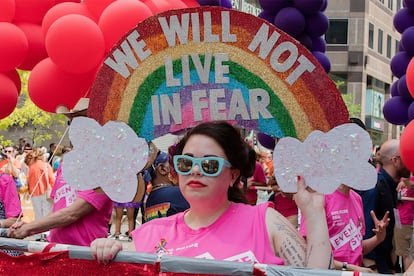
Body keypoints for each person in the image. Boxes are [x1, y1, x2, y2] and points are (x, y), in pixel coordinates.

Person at [91, 121, 333, 268]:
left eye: (209, 165)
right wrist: (106, 249)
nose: (195, 171)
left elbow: (314, 273)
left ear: (233, 176)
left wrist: (313, 213)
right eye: (186, 163)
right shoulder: (151, 233)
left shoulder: (264, 221)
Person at [9, 160, 114, 246]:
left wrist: (28, 228)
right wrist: (29, 227)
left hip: (85, 251)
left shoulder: (105, 172)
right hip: (55, 248)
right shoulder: (65, 165)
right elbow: (57, 209)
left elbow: (72, 213)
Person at [300, 184, 389, 273]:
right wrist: (350, 268)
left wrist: (378, 238)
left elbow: (355, 248)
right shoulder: (319, 198)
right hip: (328, 273)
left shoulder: (357, 198)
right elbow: (307, 252)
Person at [357, 139, 411, 273]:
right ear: (395, 160)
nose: (410, 162)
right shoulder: (375, 187)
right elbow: (366, 233)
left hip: (385, 265)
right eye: (407, 157)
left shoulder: (390, 187)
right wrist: (372, 269)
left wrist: (391, 267)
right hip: (375, 267)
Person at [144, 150, 189, 222]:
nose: (180, 169)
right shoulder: (179, 193)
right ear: (162, 169)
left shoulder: (149, 200)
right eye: (175, 164)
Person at [24, 148, 55, 223]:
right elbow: (52, 179)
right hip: (46, 192)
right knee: (47, 213)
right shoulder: (45, 165)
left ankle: (39, 233)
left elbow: (29, 181)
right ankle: (47, 232)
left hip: (34, 193)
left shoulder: (31, 167)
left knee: (38, 214)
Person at [394, 175, 414, 271]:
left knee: (405, 253)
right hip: (398, 217)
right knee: (397, 248)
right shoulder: (402, 178)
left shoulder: (408, 179)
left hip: (406, 219)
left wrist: (406, 181)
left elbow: (412, 186)